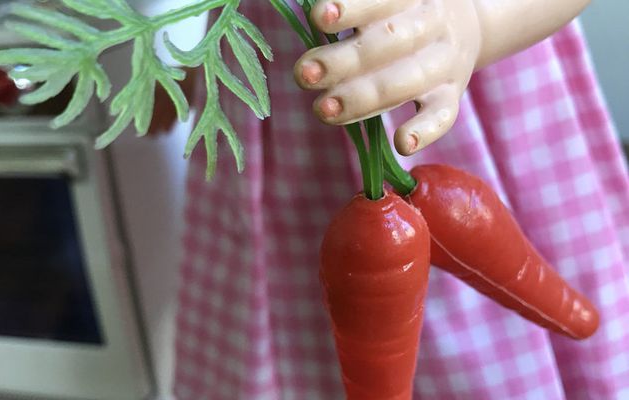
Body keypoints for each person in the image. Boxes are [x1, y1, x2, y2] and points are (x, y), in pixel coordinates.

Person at [151, 1, 629, 398]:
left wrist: (476, 24)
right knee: (296, 356)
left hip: (463, 87)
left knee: (486, 361)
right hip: (276, 141)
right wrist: (200, 61)